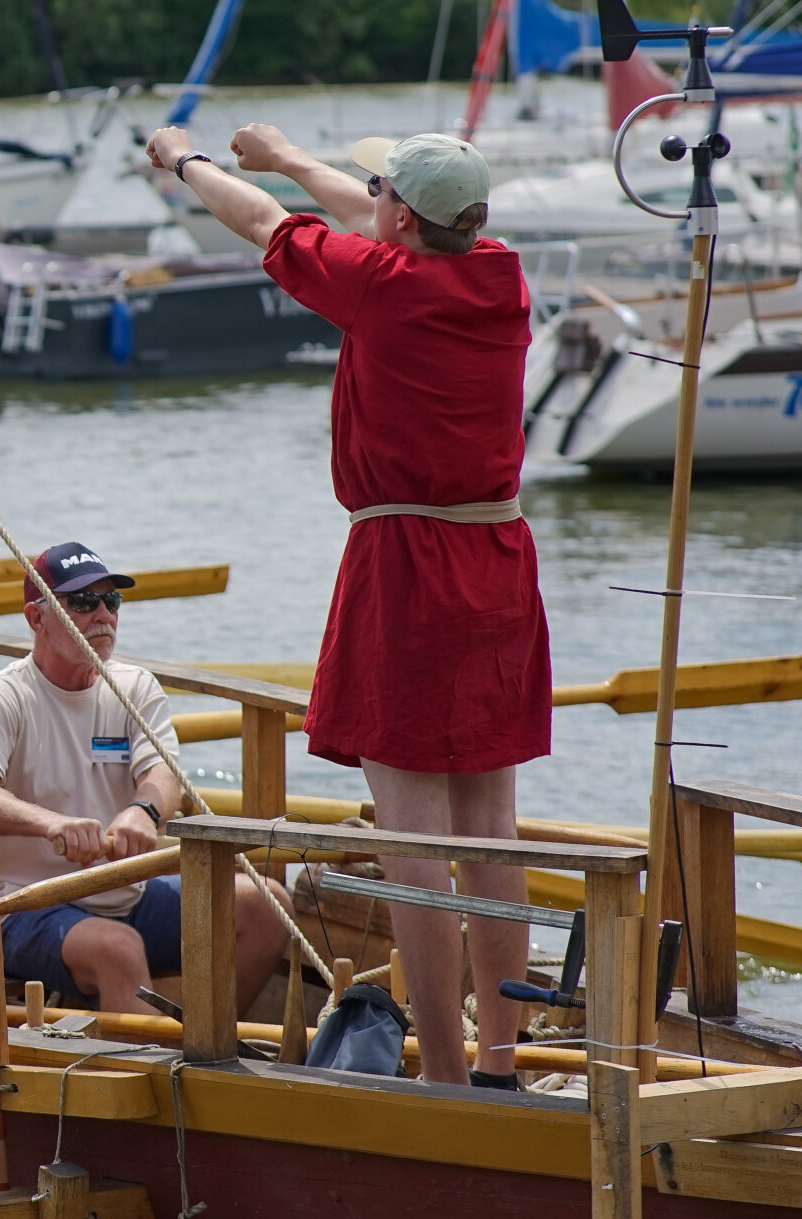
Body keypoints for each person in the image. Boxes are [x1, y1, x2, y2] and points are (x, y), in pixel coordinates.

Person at [145, 121, 548, 1087]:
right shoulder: (500, 274)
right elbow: (347, 207)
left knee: (412, 840)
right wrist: (286, 154)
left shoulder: (384, 288)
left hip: (407, 565)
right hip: (497, 558)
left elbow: (262, 224)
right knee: (491, 828)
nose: (371, 202)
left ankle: (444, 1077)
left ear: (400, 218)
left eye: (382, 197)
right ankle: (504, 1060)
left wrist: (185, 160)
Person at [0, 543, 288, 1014]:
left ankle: (211, 1044)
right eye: (83, 602)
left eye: (112, 601)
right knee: (119, 948)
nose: (103, 615)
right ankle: (157, 1066)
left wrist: (144, 810)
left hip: (126, 895)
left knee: (267, 905)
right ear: (36, 619)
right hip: (23, 906)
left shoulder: (134, 687)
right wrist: (53, 826)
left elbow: (164, 774)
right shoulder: (2, 697)